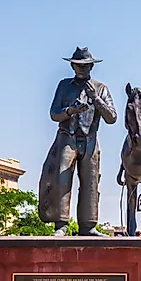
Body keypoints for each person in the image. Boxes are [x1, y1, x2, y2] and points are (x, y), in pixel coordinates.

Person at [38, 47, 117, 235]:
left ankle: (88, 226)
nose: (83, 69)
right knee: (61, 178)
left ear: (91, 66)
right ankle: (61, 224)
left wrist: (96, 99)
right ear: (73, 66)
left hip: (89, 139)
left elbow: (112, 117)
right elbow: (53, 114)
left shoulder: (100, 88)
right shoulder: (64, 86)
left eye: (86, 66)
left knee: (91, 182)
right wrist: (70, 111)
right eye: (79, 65)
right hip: (67, 137)